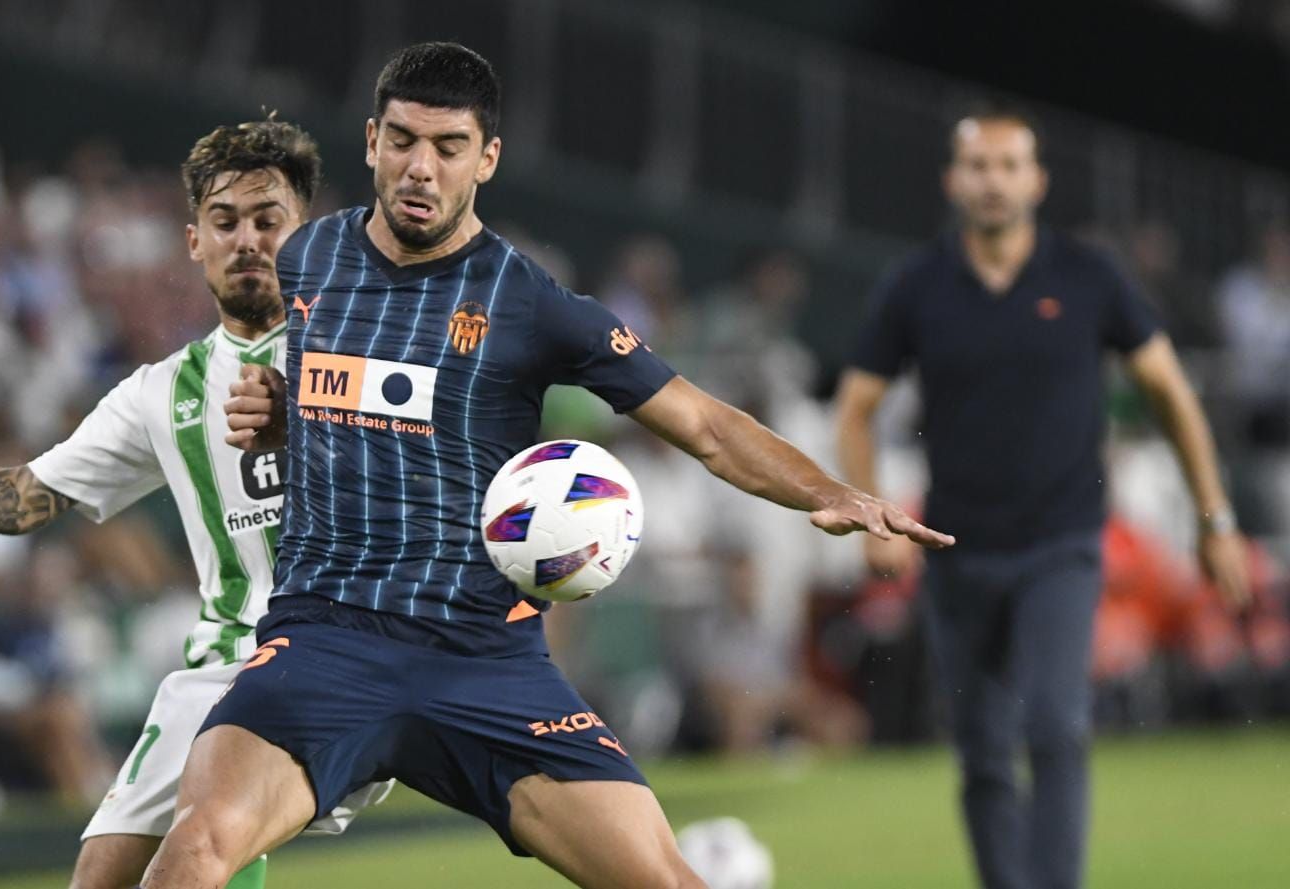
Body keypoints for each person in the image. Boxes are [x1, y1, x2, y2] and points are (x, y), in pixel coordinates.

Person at [141, 42, 952, 889]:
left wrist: (829, 490)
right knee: (190, 855)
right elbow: (307, 377)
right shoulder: (308, 258)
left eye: (450, 147)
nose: (422, 167)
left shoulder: (529, 301)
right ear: (373, 140)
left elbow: (706, 425)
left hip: (483, 659)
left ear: (487, 158)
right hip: (324, 641)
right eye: (404, 140)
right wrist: (285, 413)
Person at [0, 119, 388, 889]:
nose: (247, 241)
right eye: (225, 221)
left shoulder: (361, 345)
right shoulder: (162, 392)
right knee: (100, 874)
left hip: (339, 650)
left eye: (269, 220)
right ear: (194, 241)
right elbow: (28, 498)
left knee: (196, 849)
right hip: (223, 664)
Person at [834, 107, 1250, 889]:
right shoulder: (917, 284)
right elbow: (855, 406)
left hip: (1062, 544)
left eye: (1009, 165)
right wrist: (869, 513)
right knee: (983, 750)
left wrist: (1215, 517)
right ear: (953, 180)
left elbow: (1169, 390)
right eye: (978, 165)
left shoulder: (1089, 276)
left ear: (1038, 181)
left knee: (1056, 724)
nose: (993, 181)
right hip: (954, 550)